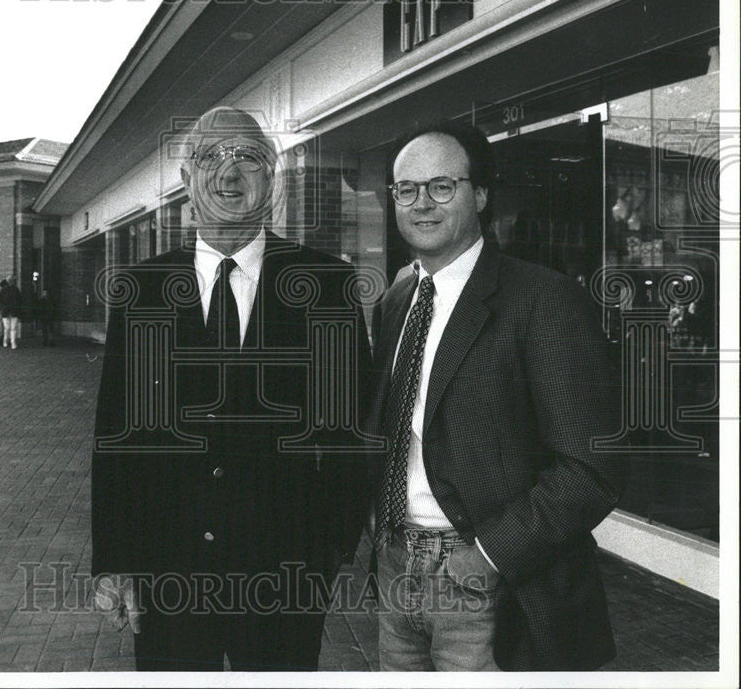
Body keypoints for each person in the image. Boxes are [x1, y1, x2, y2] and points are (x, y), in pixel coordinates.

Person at [91, 107, 373, 671]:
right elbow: (116, 433)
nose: (229, 173)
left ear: (271, 179)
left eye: (247, 157)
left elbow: (356, 427)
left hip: (285, 575)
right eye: (211, 159)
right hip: (167, 571)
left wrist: (330, 546)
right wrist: (115, 560)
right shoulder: (142, 288)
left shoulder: (325, 283)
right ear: (188, 182)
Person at [367, 122, 625, 671]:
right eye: (406, 189)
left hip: (488, 588)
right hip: (396, 576)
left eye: (442, 186)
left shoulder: (542, 299)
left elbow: (591, 468)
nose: (422, 203)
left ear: (480, 194)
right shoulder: (396, 302)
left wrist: (488, 556)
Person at [0, 276, 22, 349]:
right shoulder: (10, 290)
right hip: (8, 311)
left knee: (12, 328)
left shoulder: (13, 290)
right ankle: (7, 341)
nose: (11, 282)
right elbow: (0, 301)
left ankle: (12, 342)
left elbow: (19, 300)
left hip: (11, 311)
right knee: (8, 328)